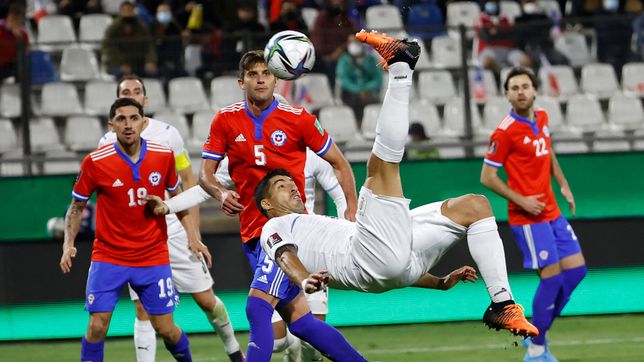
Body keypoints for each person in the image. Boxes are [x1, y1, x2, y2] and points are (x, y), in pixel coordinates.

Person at [239, 32, 539, 360]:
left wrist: (438, 282)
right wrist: (306, 279)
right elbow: (285, 257)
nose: (293, 186)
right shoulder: (271, 229)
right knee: (381, 166)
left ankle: (502, 304)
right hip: (368, 257)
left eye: (290, 182)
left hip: (397, 261)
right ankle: (400, 68)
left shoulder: (313, 221)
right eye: (281, 186)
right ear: (266, 204)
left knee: (475, 206)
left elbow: (394, 262)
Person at [98, 76, 244, 362]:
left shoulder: (168, 134)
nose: (133, 95)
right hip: (139, 239)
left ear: (146, 100)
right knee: (143, 309)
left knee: (205, 300)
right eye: (126, 92)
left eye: (137, 92)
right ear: (116, 103)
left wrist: (194, 234)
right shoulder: (106, 142)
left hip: (175, 230)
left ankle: (234, 351)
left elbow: (189, 183)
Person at [59, 98, 196, 362]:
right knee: (97, 326)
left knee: (166, 329)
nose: (128, 124)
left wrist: (193, 236)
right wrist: (68, 243)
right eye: (121, 119)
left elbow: (178, 200)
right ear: (111, 126)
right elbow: (76, 207)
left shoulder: (163, 155)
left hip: (152, 255)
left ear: (143, 123)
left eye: (134, 118)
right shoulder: (95, 162)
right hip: (109, 256)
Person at [480, 67, 587, 362]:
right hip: (528, 219)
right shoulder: (504, 132)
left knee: (577, 271)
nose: (521, 91)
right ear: (507, 94)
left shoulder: (542, 118)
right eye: (514, 88)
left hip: (551, 211)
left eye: (525, 86)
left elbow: (548, 151)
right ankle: (537, 348)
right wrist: (522, 200)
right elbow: (487, 177)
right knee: (552, 280)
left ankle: (538, 332)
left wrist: (563, 184)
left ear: (535, 91)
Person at [102, 1, 159, 79]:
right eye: (124, 10)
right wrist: (121, 64)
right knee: (120, 75)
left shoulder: (142, 27)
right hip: (117, 64)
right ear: (120, 12)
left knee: (153, 73)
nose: (127, 13)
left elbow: (149, 46)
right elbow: (108, 48)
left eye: (129, 10)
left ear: (133, 12)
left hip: (139, 63)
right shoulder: (113, 28)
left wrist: (150, 61)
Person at [336, 34, 382, 123]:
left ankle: (372, 124)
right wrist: (358, 90)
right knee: (354, 100)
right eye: (351, 42)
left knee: (373, 99)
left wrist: (366, 88)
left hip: (369, 92)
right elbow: (343, 80)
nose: (353, 45)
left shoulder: (370, 59)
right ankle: (357, 124)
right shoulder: (344, 60)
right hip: (350, 92)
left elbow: (377, 78)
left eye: (356, 42)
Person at [474, 0, 530, 71]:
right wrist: (502, 31)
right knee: (487, 62)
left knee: (526, 61)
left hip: (509, 50)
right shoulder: (481, 19)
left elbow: (513, 36)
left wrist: (496, 32)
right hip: (490, 49)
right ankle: (497, 78)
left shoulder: (506, 18)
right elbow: (486, 37)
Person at [0, 3, 28, 82]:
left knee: (23, 66)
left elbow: (25, 53)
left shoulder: (23, 34)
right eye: (12, 19)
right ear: (8, 17)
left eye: (17, 20)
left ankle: (21, 92)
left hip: (12, 64)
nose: (14, 22)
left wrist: (19, 38)